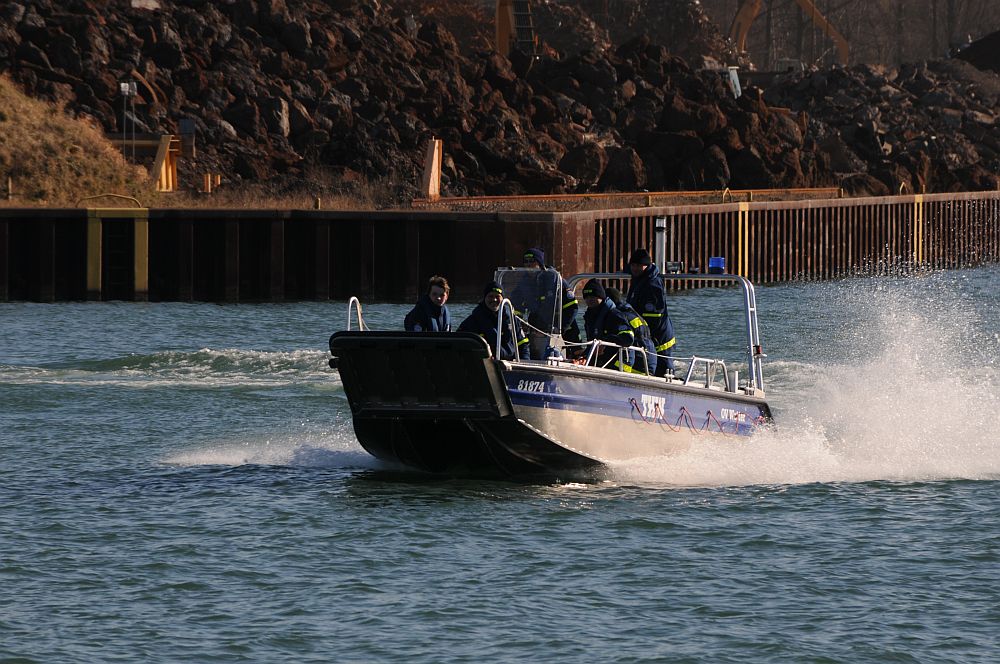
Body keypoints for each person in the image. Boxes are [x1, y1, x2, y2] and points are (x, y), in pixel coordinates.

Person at [515, 247, 581, 358]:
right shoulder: (524, 283)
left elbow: (572, 307)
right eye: (525, 262)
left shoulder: (555, 280)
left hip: (561, 327)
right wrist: (519, 323)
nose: (528, 265)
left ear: (540, 263)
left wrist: (558, 328)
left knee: (573, 354)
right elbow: (516, 305)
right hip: (535, 328)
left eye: (532, 261)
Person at [626, 248, 676, 374]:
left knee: (664, 371)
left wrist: (645, 335)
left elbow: (654, 316)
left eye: (638, 265)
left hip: (658, 338)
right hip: (645, 336)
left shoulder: (653, 283)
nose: (634, 268)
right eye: (633, 265)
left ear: (646, 265)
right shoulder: (639, 278)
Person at [458, 281, 529, 360]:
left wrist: (524, 362)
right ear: (484, 298)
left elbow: (523, 344)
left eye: (497, 296)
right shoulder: (472, 321)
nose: (494, 299)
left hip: (512, 366)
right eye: (490, 296)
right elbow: (462, 347)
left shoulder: (512, 320)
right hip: (486, 365)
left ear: (503, 299)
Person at [580, 279, 636, 371]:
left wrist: (605, 342)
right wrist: (584, 356)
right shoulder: (590, 317)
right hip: (602, 361)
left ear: (601, 297)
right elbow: (592, 342)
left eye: (593, 297)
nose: (589, 300)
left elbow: (628, 338)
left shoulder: (614, 315)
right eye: (587, 297)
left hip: (619, 363)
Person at [606, 286, 657, 376]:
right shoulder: (630, 312)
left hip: (638, 364)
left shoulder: (620, 316)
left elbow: (628, 342)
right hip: (649, 358)